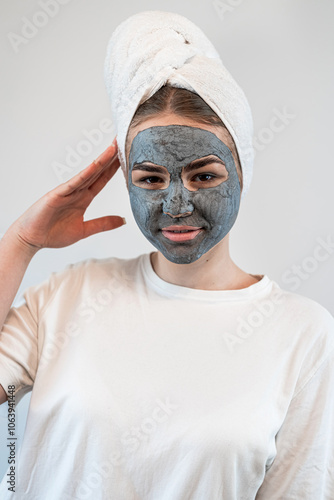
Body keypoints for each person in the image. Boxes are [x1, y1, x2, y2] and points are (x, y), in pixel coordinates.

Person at [1, 10, 334, 500]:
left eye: (204, 175)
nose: (176, 204)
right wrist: (20, 243)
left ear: (242, 172)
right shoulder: (68, 295)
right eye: (151, 179)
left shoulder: (303, 333)